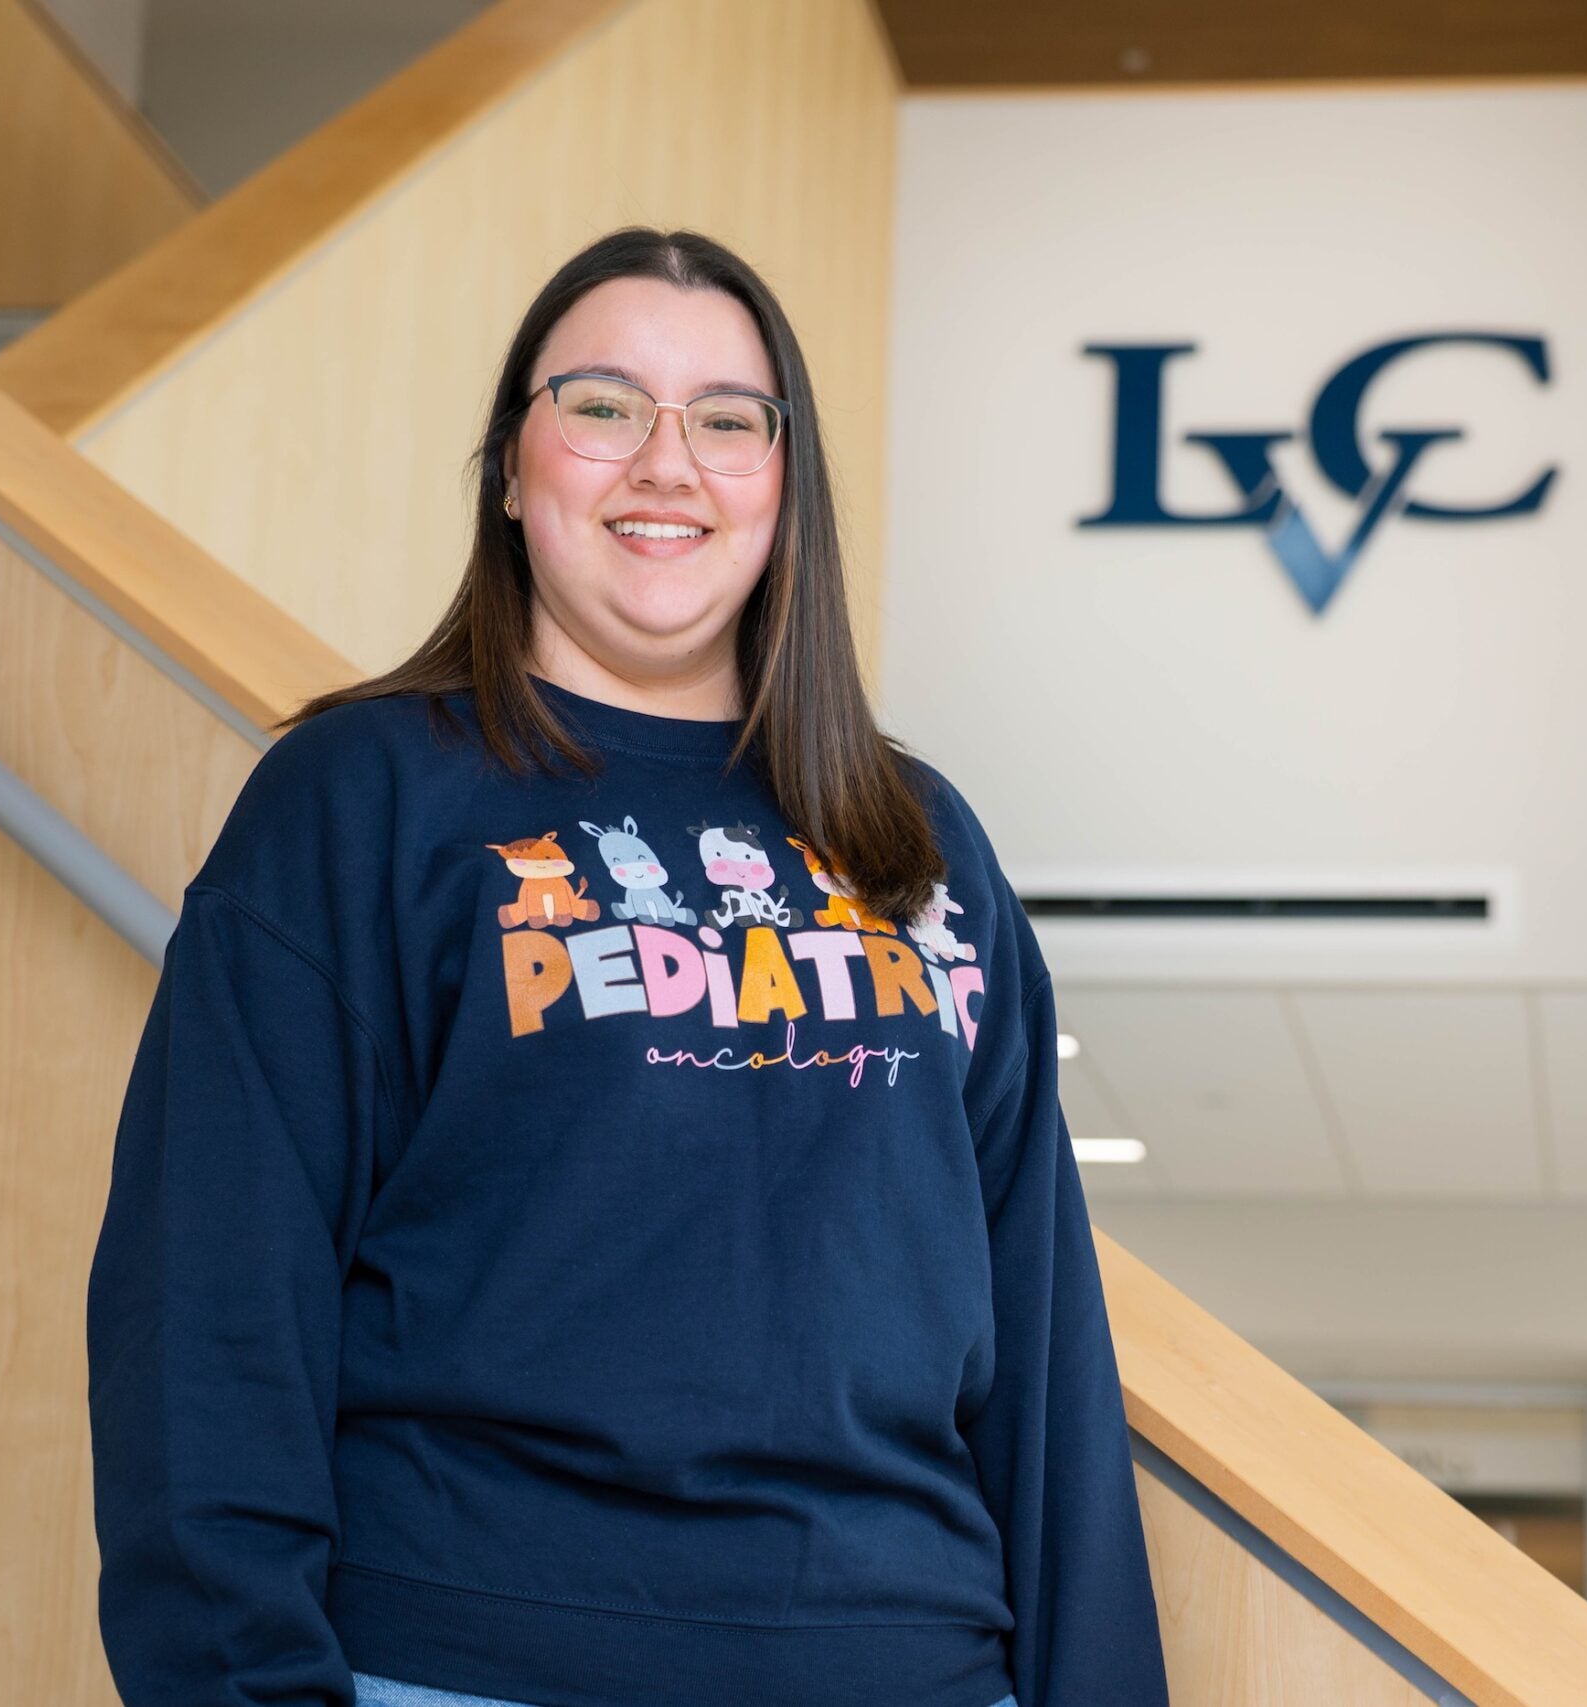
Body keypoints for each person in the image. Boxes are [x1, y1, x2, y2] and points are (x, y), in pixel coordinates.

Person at [84, 227, 1169, 1707]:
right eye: (601, 405)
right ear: (512, 470)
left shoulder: (918, 840)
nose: (669, 464)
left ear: (786, 491)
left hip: (907, 1662)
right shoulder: (361, 801)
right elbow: (209, 1306)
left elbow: (1044, 1345)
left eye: (729, 420)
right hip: (475, 1658)